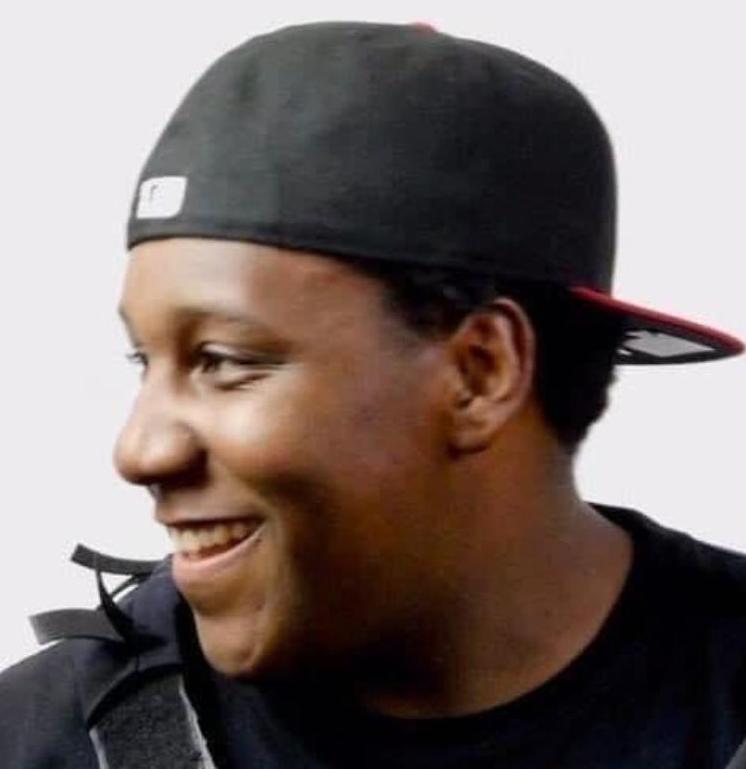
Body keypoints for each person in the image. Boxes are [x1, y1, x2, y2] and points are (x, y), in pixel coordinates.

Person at [1, 20, 744, 769]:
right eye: (144, 359)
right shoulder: (41, 737)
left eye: (224, 361)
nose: (139, 450)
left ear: (480, 372)